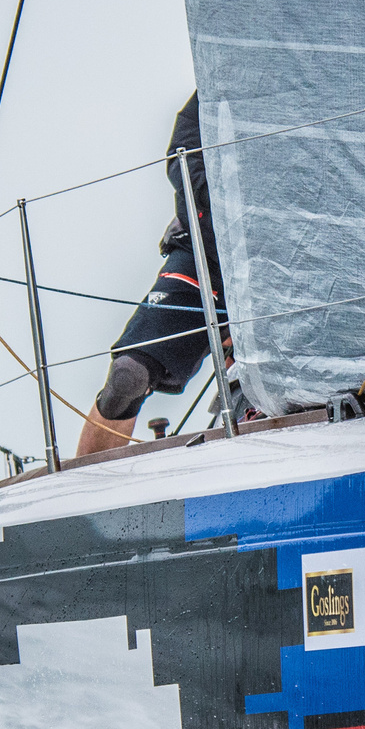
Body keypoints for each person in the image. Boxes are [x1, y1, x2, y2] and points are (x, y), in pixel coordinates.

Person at [76, 91, 234, 457]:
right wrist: (215, 206)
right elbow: (185, 146)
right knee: (127, 377)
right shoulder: (226, 77)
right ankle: (84, 500)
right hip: (206, 250)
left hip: (298, 256)